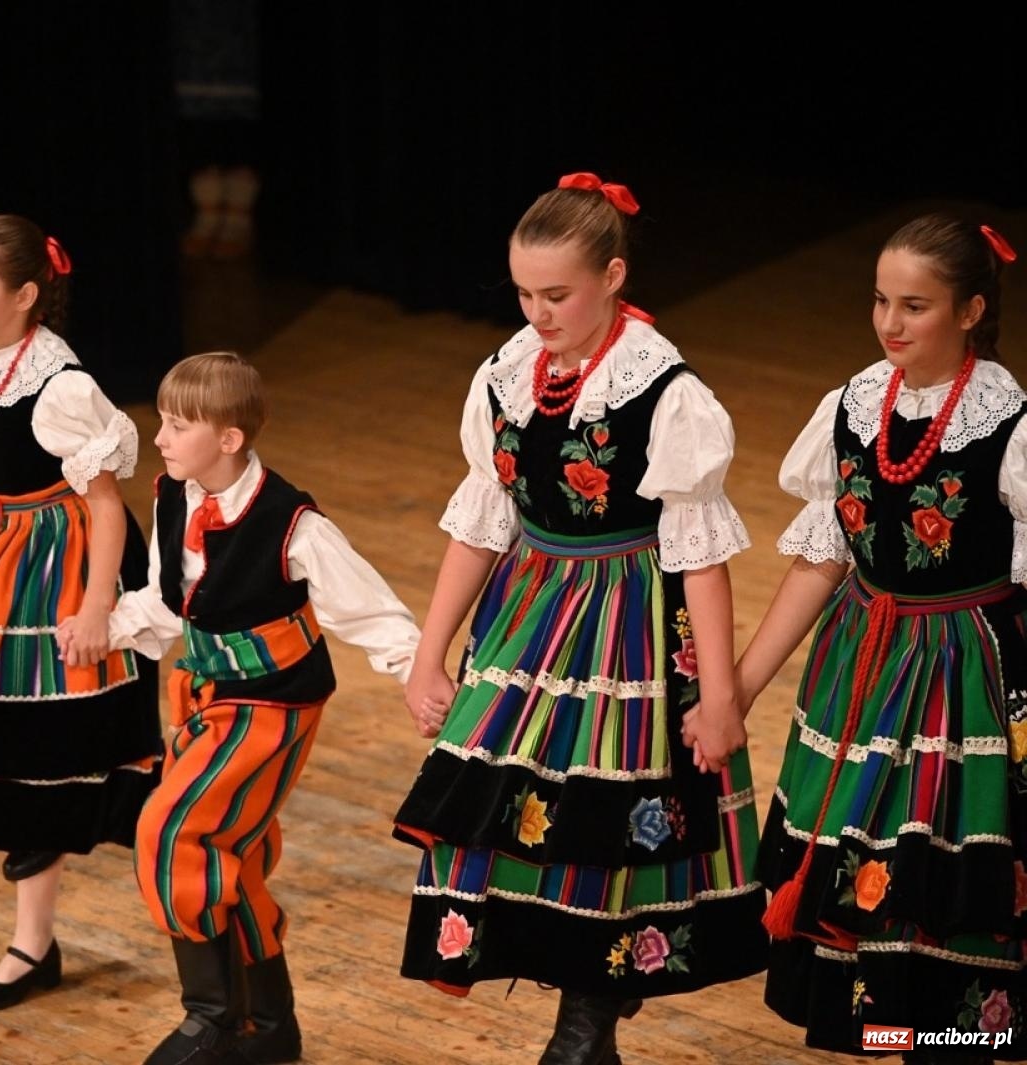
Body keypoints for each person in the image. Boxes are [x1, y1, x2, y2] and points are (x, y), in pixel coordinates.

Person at [393, 173, 768, 1064]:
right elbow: (484, 515)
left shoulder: (664, 388)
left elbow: (700, 555)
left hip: (630, 615)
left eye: (556, 294)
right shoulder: (507, 372)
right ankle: (572, 993)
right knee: (509, 795)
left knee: (608, 809)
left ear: (613, 274)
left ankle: (586, 1019)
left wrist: (721, 697)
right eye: (524, 292)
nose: (538, 311)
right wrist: (430, 653)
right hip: (530, 608)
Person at [734, 216, 1025, 1064]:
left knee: (935, 875)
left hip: (961, 674)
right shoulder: (854, 405)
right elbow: (823, 558)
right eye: (880, 300)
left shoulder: (1008, 425)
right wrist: (738, 689)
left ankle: (951, 1042)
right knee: (864, 877)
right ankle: (892, 1034)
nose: (891, 323)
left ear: (971, 310)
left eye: (915, 305)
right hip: (861, 666)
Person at [82, 351, 419, 1064]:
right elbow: (171, 602)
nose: (163, 438)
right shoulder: (174, 494)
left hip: (273, 704)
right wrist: (102, 626)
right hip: (207, 696)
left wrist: (422, 679)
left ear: (229, 437)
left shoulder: (292, 522)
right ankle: (266, 1026)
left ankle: (209, 1016)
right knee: (229, 853)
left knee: (171, 831)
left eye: (178, 425)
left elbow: (369, 610)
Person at [0, 214, 160, 1010]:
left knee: (41, 742)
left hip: (65, 552)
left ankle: (33, 939)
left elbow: (108, 506)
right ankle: (27, 932)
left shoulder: (62, 384)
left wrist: (93, 607)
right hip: (3, 541)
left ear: (25, 294)